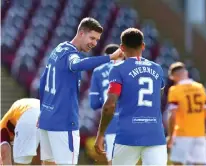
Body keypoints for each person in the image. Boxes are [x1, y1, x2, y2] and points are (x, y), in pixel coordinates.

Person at [38, 17, 122, 165]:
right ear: (81, 33)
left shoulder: (58, 49)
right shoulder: (71, 55)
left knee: (48, 163)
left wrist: (42, 112)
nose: (94, 43)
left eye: (97, 40)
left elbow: (43, 82)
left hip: (47, 120)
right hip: (63, 122)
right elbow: (77, 65)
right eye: (92, 38)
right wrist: (109, 58)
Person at [94, 28, 167, 165]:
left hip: (128, 134)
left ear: (121, 47)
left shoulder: (118, 69)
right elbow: (159, 95)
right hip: (154, 134)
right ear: (143, 46)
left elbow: (110, 105)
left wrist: (100, 134)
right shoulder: (157, 68)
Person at [166, 62, 206, 165]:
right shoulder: (200, 88)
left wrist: (171, 136)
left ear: (173, 77)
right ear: (186, 73)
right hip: (199, 133)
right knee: (199, 164)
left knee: (177, 163)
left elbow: (172, 116)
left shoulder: (175, 90)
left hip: (182, 133)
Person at [89, 43, 124, 165]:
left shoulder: (98, 71)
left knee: (114, 161)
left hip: (111, 122)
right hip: (132, 120)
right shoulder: (130, 68)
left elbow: (93, 104)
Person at [0, 98, 40, 165]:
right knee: (48, 160)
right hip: (48, 112)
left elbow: (4, 150)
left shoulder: (2, 127)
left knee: (21, 162)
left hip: (28, 113)